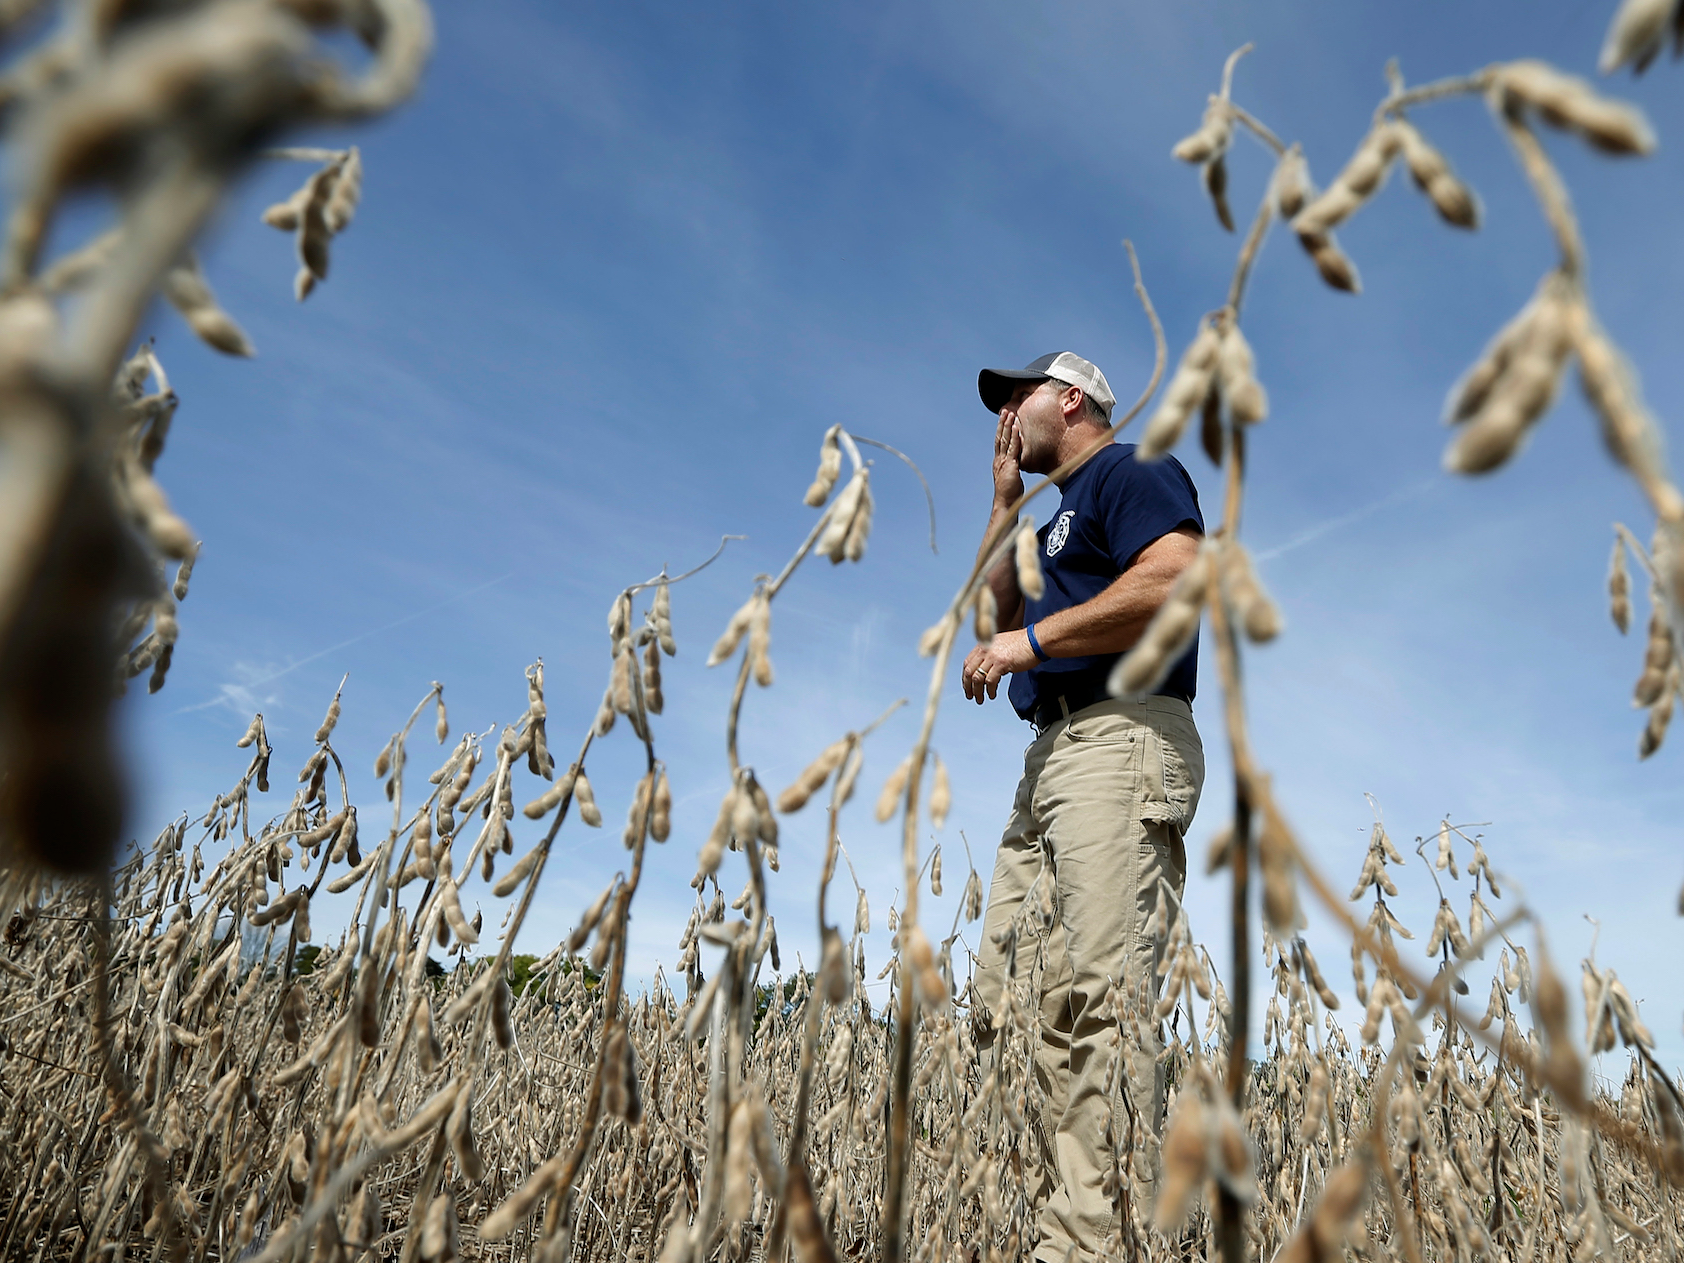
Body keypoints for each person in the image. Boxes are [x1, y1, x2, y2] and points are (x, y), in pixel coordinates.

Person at [963, 351, 1206, 1263]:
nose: (1003, 415)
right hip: (1053, 756)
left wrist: (1030, 642)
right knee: (1012, 993)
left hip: (1120, 738)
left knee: (1098, 1001)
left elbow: (1178, 579)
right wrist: (1001, 504)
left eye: (1014, 397)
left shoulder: (1128, 471)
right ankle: (1042, 1221)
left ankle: (1090, 1246)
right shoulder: (1049, 517)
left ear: (1070, 399)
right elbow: (988, 613)